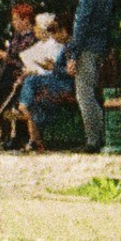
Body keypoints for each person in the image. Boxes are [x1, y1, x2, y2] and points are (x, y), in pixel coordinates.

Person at [68, 0, 117, 153]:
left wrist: (73, 54)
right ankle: (100, 137)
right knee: (93, 92)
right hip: (101, 47)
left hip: (87, 48)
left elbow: (81, 25)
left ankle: (94, 139)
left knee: (84, 94)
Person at [0, 0, 39, 142]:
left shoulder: (32, 38)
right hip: (8, 73)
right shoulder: (17, 36)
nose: (14, 23)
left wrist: (0, 53)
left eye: (16, 19)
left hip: (22, 73)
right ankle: (4, 131)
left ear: (26, 20)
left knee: (3, 90)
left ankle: (16, 134)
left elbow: (21, 60)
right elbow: (9, 56)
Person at [15, 12, 72, 152]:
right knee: (33, 89)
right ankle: (35, 141)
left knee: (32, 81)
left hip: (64, 84)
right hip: (57, 81)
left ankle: (24, 108)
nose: (54, 37)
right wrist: (51, 67)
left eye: (56, 33)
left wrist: (52, 67)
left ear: (63, 31)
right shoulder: (66, 46)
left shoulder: (71, 47)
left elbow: (70, 73)